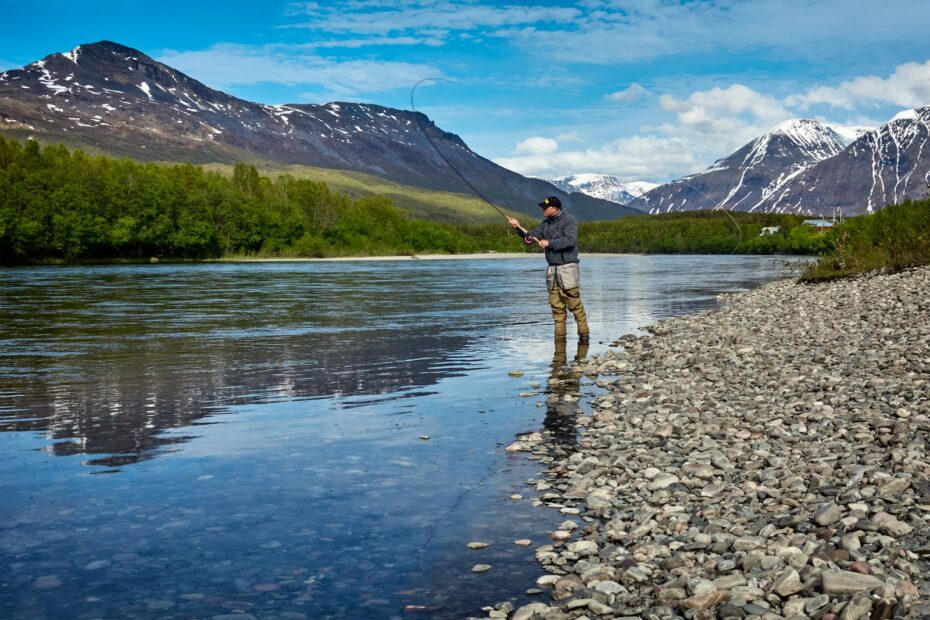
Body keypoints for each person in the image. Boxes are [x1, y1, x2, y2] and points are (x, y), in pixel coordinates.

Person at [508, 196, 590, 343]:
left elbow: (570, 241)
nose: (543, 209)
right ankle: (560, 342)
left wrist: (549, 243)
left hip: (568, 269)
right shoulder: (546, 223)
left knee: (575, 306)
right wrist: (518, 228)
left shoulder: (569, 220)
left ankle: (584, 338)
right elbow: (531, 237)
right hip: (552, 271)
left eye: (545, 207)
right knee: (557, 309)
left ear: (555, 208)